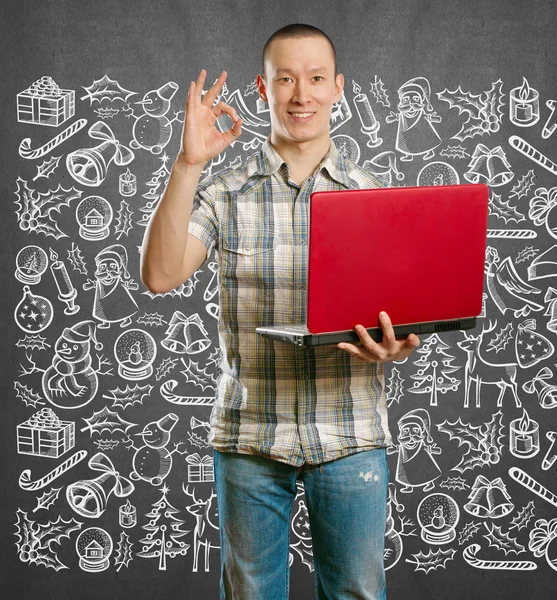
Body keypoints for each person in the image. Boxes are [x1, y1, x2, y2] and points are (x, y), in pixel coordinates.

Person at [141, 23, 420, 600]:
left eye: (316, 78)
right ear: (263, 91)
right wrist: (187, 163)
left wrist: (396, 343)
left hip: (350, 432)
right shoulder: (224, 193)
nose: (302, 94)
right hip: (249, 435)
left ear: (338, 88)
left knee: (357, 595)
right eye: (286, 79)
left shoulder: (374, 197)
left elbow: (399, 313)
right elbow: (161, 275)